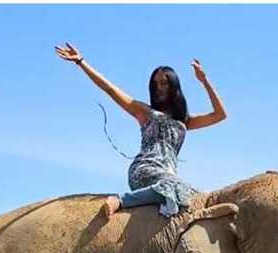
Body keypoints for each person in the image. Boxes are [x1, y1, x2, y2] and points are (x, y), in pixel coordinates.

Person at [55, 43, 227, 218]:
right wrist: (82, 62)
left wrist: (204, 80)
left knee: (195, 194)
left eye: (164, 83)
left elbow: (220, 115)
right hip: (145, 169)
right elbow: (110, 89)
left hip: (168, 175)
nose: (159, 87)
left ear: (174, 86)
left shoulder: (185, 121)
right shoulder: (145, 112)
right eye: (155, 84)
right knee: (175, 186)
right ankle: (121, 201)